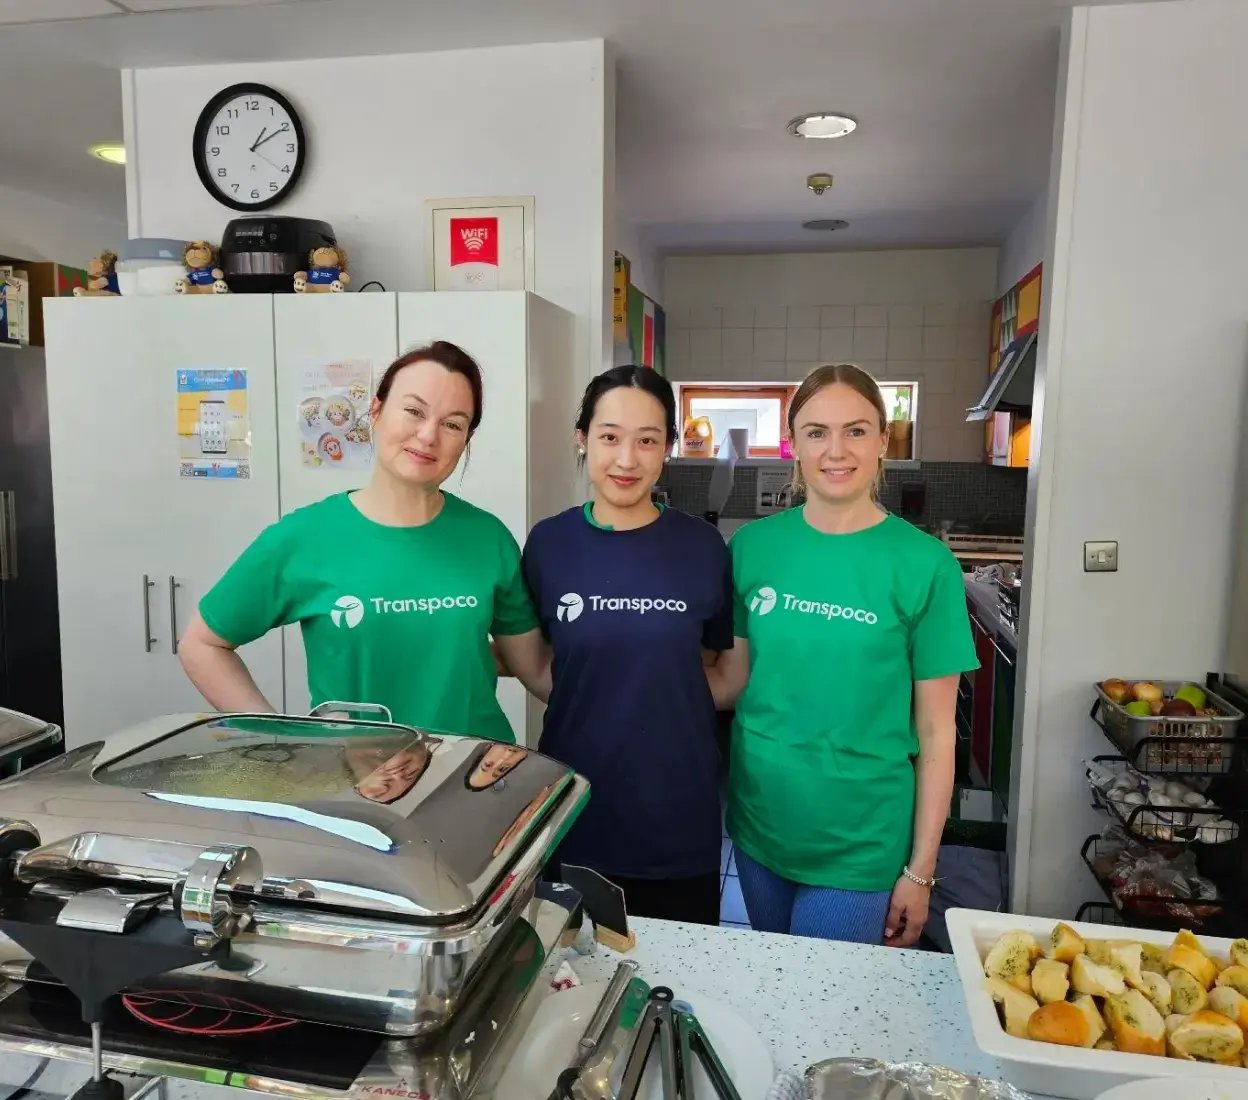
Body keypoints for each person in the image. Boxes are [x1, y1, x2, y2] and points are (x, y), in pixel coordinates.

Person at [708, 363, 977, 946]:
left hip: (861, 842)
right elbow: (731, 680)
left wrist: (921, 869)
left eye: (856, 431)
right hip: (759, 826)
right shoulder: (752, 548)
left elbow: (937, 734)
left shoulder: (925, 564)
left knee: (823, 1018)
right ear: (793, 443)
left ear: (884, 440)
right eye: (816, 432)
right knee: (772, 989)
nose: (836, 450)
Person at [179, 341, 548, 740]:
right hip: (359, 786)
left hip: (471, 778)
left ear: (466, 440)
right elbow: (202, 644)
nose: (428, 435)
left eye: (453, 423)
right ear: (376, 411)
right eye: (414, 411)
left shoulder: (488, 538)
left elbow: (535, 668)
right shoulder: (305, 538)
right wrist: (280, 735)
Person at [516, 365, 733, 925]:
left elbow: (711, 668)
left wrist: (652, 699)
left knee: (683, 996)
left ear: (668, 449)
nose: (627, 460)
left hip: (678, 815)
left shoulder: (704, 548)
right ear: (582, 439)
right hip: (577, 810)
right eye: (610, 437)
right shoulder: (549, 544)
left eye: (648, 440)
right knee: (571, 985)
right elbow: (540, 659)